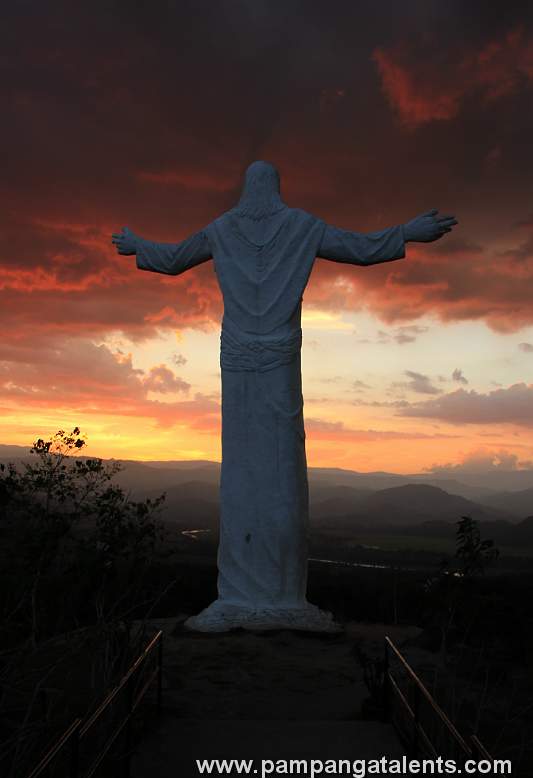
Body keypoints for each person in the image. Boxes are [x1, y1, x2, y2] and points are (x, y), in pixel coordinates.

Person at [112, 160, 457, 632]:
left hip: (238, 358)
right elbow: (360, 248)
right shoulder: (301, 226)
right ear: (276, 187)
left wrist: (136, 245)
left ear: (248, 188)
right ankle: (270, 593)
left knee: (243, 469)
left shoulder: (223, 228)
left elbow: (172, 259)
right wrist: (408, 232)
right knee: (280, 469)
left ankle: (255, 594)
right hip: (275, 363)